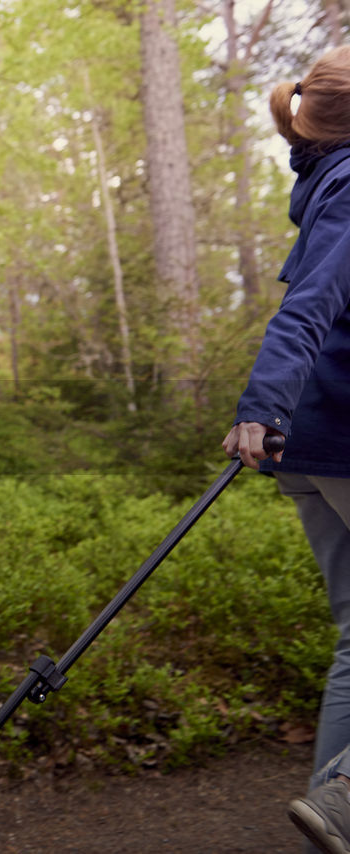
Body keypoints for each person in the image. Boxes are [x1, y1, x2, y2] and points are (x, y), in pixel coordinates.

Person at [219, 46, 350, 854]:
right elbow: (310, 306)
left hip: (311, 442)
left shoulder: (325, 182)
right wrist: (259, 408)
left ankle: (329, 816)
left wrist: (273, 414)